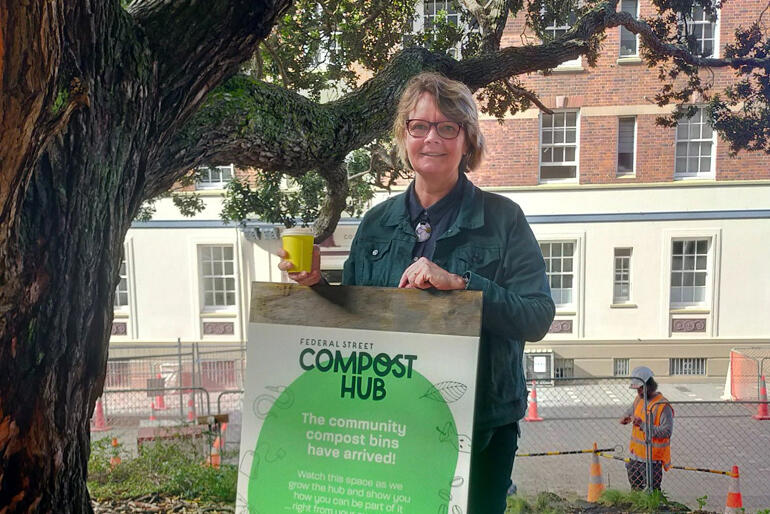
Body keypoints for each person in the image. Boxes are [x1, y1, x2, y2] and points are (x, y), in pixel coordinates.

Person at [278, 72, 555, 513]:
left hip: (481, 426)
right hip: (392, 424)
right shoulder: (376, 221)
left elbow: (538, 316)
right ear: (403, 136)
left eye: (448, 127)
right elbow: (354, 321)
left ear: (467, 140)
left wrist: (463, 285)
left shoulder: (503, 219)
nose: (432, 138)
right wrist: (317, 285)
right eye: (419, 125)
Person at [620, 366, 675, 491]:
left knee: (652, 492)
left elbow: (667, 432)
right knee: (636, 491)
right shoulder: (639, 399)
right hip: (635, 457)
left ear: (649, 386)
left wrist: (643, 425)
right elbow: (629, 412)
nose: (638, 392)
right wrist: (625, 417)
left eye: (641, 389)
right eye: (637, 390)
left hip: (652, 460)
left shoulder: (662, 405)